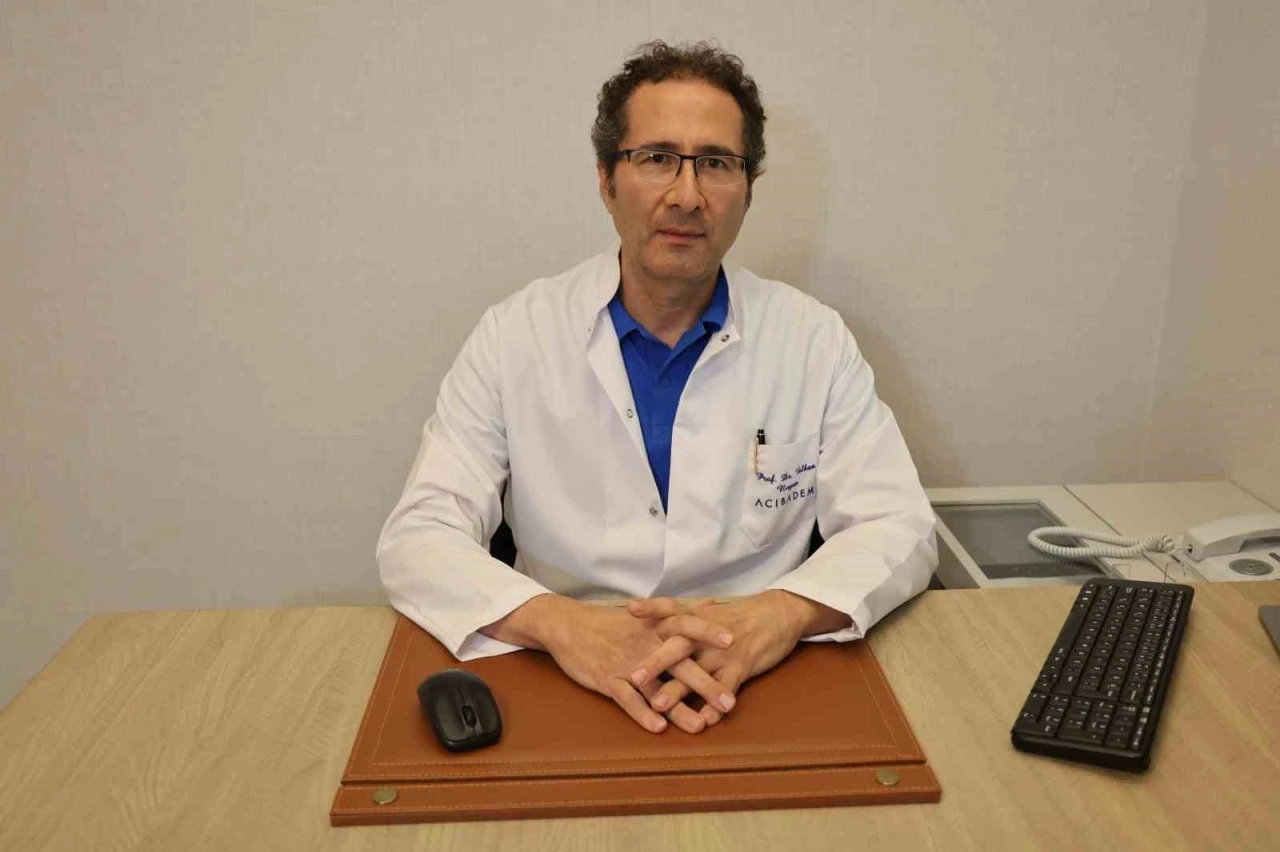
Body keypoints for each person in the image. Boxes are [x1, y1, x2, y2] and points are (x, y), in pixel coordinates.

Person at [378, 40, 937, 736]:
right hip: (564, 670)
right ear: (606, 180)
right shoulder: (515, 334)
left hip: (761, 672)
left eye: (717, 163)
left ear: (748, 188)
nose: (687, 195)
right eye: (656, 158)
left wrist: (782, 613)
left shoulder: (811, 339)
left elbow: (899, 524)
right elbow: (420, 534)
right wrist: (560, 624)